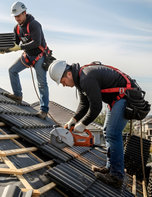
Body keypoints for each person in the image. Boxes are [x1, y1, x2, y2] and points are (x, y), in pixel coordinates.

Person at [48, 60, 143, 188]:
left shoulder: (86, 78)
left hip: (125, 96)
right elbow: (84, 104)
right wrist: (74, 120)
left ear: (69, 74)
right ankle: (110, 168)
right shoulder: (80, 80)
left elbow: (96, 107)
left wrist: (83, 124)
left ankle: (117, 177)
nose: (63, 85)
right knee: (106, 131)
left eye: (62, 81)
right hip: (116, 99)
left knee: (113, 133)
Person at [0, 1, 49, 118]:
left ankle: (44, 110)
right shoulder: (16, 28)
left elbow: (37, 42)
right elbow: (15, 44)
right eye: (15, 16)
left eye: (19, 16)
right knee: (12, 70)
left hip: (39, 56)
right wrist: (4, 50)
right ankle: (17, 96)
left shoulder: (34, 24)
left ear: (24, 13)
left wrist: (20, 47)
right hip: (27, 56)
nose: (17, 18)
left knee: (42, 83)